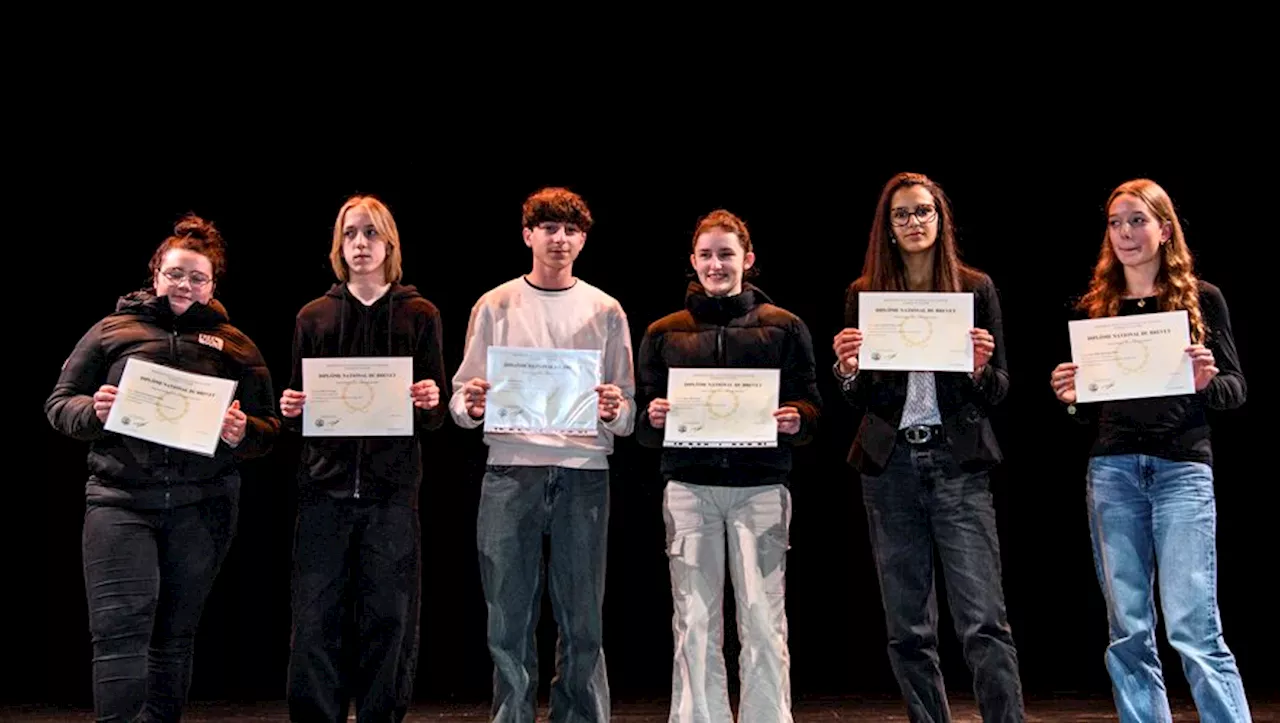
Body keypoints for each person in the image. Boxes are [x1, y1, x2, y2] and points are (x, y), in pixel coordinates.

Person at [45, 213, 280, 723]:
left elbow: (268, 425)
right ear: (156, 273)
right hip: (119, 502)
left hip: (203, 507)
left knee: (174, 637)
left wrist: (244, 433)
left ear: (212, 285)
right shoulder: (112, 331)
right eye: (175, 273)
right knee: (119, 632)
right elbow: (59, 403)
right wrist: (94, 411)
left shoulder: (235, 343)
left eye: (198, 277)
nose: (185, 285)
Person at [1049, 178, 1251, 723]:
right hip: (1113, 471)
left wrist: (1209, 378)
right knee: (1128, 630)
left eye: (1137, 220)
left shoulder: (1201, 301)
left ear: (1165, 229)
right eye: (1115, 223)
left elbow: (1235, 390)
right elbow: (1092, 408)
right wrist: (1070, 397)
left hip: (1182, 471)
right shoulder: (1098, 308)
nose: (1125, 233)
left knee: (1194, 627)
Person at [832, 172, 1024, 722]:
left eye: (923, 212)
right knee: (907, 628)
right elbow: (858, 394)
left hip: (956, 464)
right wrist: (847, 369)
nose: (913, 223)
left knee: (983, 620)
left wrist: (982, 369)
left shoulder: (973, 288)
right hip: (887, 467)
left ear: (941, 219)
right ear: (887, 227)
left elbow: (1000, 389)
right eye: (901, 215)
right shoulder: (864, 294)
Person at [449, 187, 635, 722]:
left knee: (582, 616)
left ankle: (580, 716)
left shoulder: (606, 308)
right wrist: (473, 402)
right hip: (510, 470)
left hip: (583, 473)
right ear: (528, 234)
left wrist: (612, 408)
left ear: (583, 239)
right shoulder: (494, 303)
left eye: (571, 230)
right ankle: (512, 715)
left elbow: (625, 404)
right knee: (507, 615)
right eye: (549, 228)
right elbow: (463, 398)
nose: (560, 239)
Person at [635, 209, 820, 723]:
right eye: (706, 255)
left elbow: (811, 404)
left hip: (760, 487)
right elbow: (645, 423)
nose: (716, 265)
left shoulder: (784, 326)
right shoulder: (662, 332)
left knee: (763, 618)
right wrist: (653, 417)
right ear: (693, 261)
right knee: (694, 619)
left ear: (748, 259)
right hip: (689, 489)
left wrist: (795, 418)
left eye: (726, 254)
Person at [279, 195, 448, 723]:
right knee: (314, 621)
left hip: (392, 494)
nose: (360, 244)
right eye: (350, 234)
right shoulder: (314, 316)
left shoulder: (421, 314)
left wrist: (430, 400)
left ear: (389, 244)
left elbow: (434, 413)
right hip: (323, 492)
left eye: (371, 234)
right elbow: (298, 406)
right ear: (338, 244)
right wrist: (290, 409)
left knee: (389, 619)